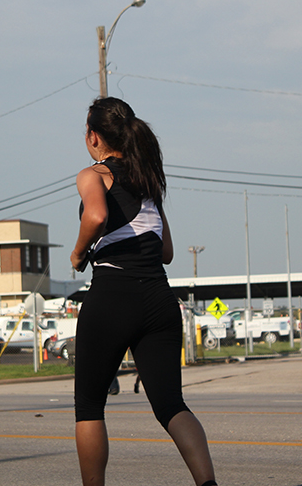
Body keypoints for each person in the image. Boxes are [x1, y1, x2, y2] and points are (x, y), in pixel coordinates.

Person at [70, 97, 217, 486]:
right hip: (158, 300)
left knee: (89, 407)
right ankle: (209, 484)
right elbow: (166, 252)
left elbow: (97, 215)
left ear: (94, 136)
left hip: (113, 295)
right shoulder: (148, 181)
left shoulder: (94, 175)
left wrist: (78, 251)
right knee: (170, 404)